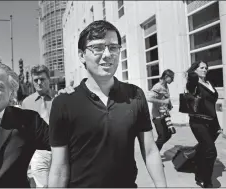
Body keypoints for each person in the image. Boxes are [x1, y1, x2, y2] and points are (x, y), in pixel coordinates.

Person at [48, 20, 167, 188]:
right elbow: (59, 167)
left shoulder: (135, 95)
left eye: (113, 47)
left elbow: (149, 150)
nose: (107, 54)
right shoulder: (64, 103)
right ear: (82, 55)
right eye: (97, 48)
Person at [185, 61, 222, 188]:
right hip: (198, 122)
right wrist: (192, 75)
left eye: (206, 68)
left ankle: (198, 171)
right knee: (211, 151)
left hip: (211, 123)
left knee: (203, 149)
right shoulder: (193, 84)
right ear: (195, 70)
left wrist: (217, 126)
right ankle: (207, 182)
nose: (205, 69)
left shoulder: (209, 83)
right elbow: (191, 84)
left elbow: (211, 106)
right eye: (201, 68)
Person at [21, 65, 53, 187]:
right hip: (38, 152)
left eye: (42, 79)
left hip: (60, 149)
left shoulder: (60, 98)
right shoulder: (26, 103)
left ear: (48, 79)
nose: (39, 83)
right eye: (36, 80)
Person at [147, 69, 175, 152]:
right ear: (166, 77)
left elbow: (165, 97)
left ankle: (154, 150)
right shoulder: (158, 86)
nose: (173, 80)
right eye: (172, 78)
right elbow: (149, 98)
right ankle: (153, 154)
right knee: (162, 137)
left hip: (165, 115)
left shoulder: (165, 86)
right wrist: (163, 101)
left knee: (169, 134)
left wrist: (169, 104)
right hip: (157, 116)